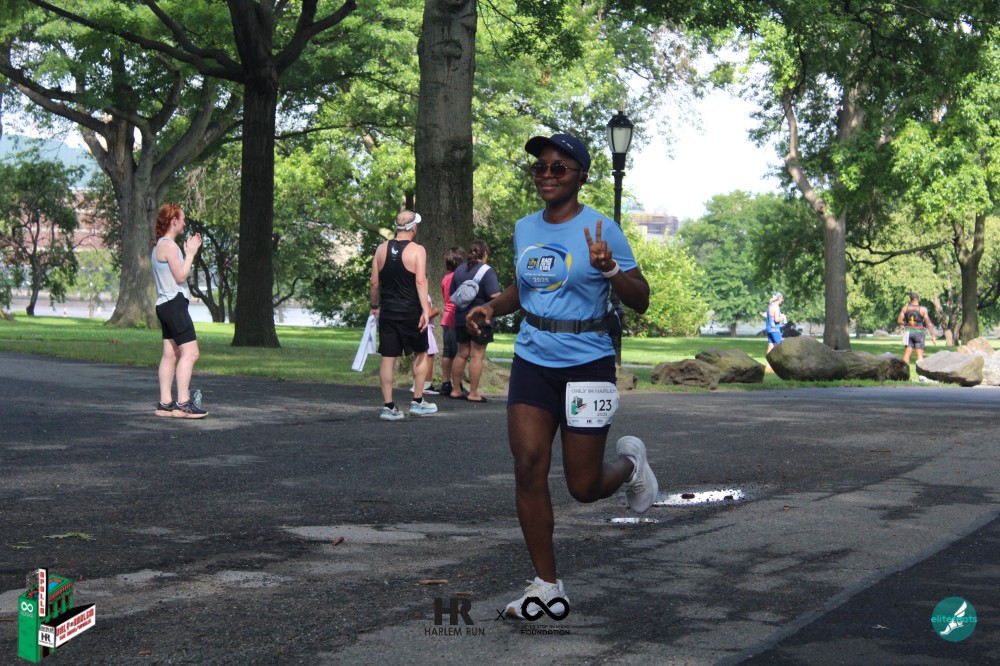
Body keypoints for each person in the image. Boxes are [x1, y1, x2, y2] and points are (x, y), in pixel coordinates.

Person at [464, 132, 658, 619]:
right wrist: (491, 306)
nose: (547, 175)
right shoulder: (525, 227)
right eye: (540, 167)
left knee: (583, 487)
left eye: (559, 168)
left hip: (588, 364)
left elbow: (640, 298)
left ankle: (631, 465)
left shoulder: (603, 228)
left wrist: (610, 269)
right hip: (533, 358)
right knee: (528, 465)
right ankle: (547, 587)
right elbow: (525, 286)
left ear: (580, 177)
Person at [369, 210, 437, 421]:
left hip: (388, 311)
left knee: (387, 359)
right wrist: (425, 311)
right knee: (421, 353)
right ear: (413, 228)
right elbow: (420, 281)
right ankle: (418, 401)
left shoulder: (380, 249)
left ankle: (388, 406)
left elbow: (374, 282)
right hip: (411, 311)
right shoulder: (418, 250)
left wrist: (374, 305)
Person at [152, 203, 207, 418]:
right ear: (174, 221)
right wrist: (191, 254)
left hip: (165, 305)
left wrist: (186, 253)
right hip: (174, 305)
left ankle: (165, 404)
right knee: (191, 353)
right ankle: (183, 403)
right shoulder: (169, 246)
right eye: (182, 219)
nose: (184, 222)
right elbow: (181, 276)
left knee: (170, 354)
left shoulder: (159, 245)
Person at [448, 240, 501, 403]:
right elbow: (494, 295)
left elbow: (452, 293)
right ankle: (473, 393)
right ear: (484, 253)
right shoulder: (487, 271)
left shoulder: (459, 270)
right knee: (477, 356)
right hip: (479, 318)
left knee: (461, 353)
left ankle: (455, 390)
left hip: (460, 318)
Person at [439, 246, 468, 398]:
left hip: (447, 316)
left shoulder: (446, 277)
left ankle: (446, 383)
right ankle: (457, 385)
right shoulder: (457, 277)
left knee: (448, 352)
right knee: (458, 353)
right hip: (455, 317)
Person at [897, 291, 937, 364]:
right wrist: (933, 336)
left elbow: (899, 321)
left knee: (907, 354)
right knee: (919, 355)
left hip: (908, 332)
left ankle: (904, 370)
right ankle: (920, 371)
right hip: (919, 333)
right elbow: (928, 323)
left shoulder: (905, 308)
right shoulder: (923, 309)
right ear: (918, 299)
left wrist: (906, 324)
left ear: (910, 299)